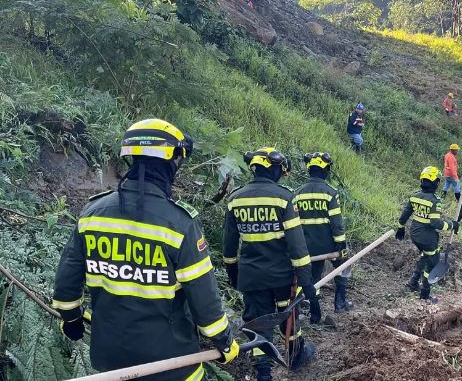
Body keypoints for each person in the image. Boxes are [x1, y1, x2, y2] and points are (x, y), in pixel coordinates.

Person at [52, 119, 239, 381]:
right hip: (171, 362)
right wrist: (225, 342)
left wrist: (70, 318)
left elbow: (66, 282)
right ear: (171, 161)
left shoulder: (93, 213)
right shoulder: (181, 224)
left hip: (110, 361)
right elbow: (204, 300)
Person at [223, 147, 316, 380]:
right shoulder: (284, 197)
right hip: (281, 276)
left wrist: (234, 274)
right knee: (288, 314)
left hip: (251, 275)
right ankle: (295, 357)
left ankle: (263, 372)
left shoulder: (235, 198)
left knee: (258, 322)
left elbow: (229, 245)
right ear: (273, 169)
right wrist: (307, 280)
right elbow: (297, 245)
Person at [294, 152, 353, 325]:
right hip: (328, 246)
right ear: (325, 170)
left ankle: (314, 312)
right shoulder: (330, 193)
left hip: (305, 247)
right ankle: (340, 303)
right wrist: (341, 245)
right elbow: (337, 224)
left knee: (312, 277)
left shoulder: (297, 193)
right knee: (344, 266)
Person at [395, 166, 459, 303]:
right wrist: (451, 225)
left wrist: (400, 228)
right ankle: (425, 293)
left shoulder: (415, 197)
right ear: (435, 182)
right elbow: (435, 223)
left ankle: (413, 282)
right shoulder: (435, 201)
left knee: (425, 256)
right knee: (433, 262)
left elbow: (404, 215)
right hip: (428, 238)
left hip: (415, 234)